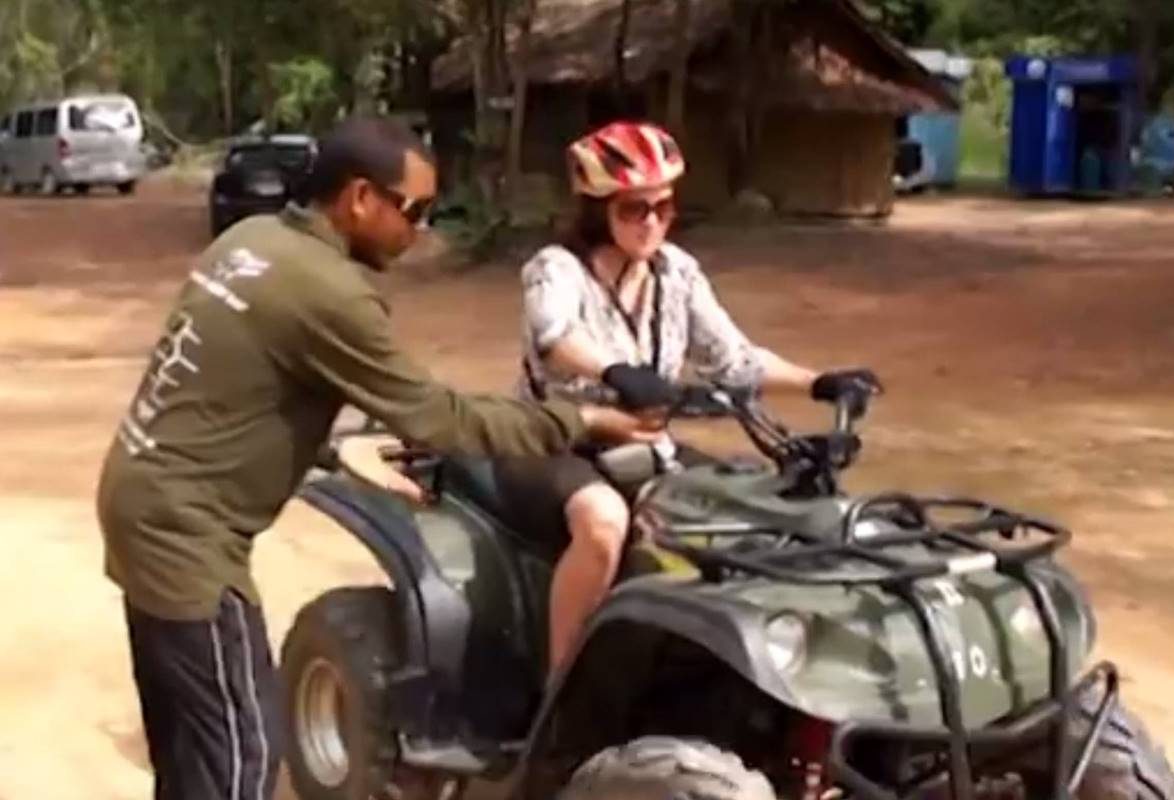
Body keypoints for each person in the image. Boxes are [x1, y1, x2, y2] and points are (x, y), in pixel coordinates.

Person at [95, 116, 657, 800]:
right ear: (361, 198)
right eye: (414, 211)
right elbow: (443, 418)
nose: (419, 231)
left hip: (138, 492)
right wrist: (584, 418)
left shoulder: (251, 240)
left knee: (190, 746)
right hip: (187, 536)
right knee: (242, 752)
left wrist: (336, 449)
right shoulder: (331, 292)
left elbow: (235, 387)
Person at [499, 120, 881, 673]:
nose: (652, 222)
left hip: (642, 445)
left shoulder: (675, 272)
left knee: (749, 499)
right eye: (634, 209)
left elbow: (733, 359)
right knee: (604, 521)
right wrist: (615, 370)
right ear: (597, 208)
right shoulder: (555, 270)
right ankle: (561, 686)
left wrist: (819, 381)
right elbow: (555, 337)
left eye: (663, 207)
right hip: (551, 441)